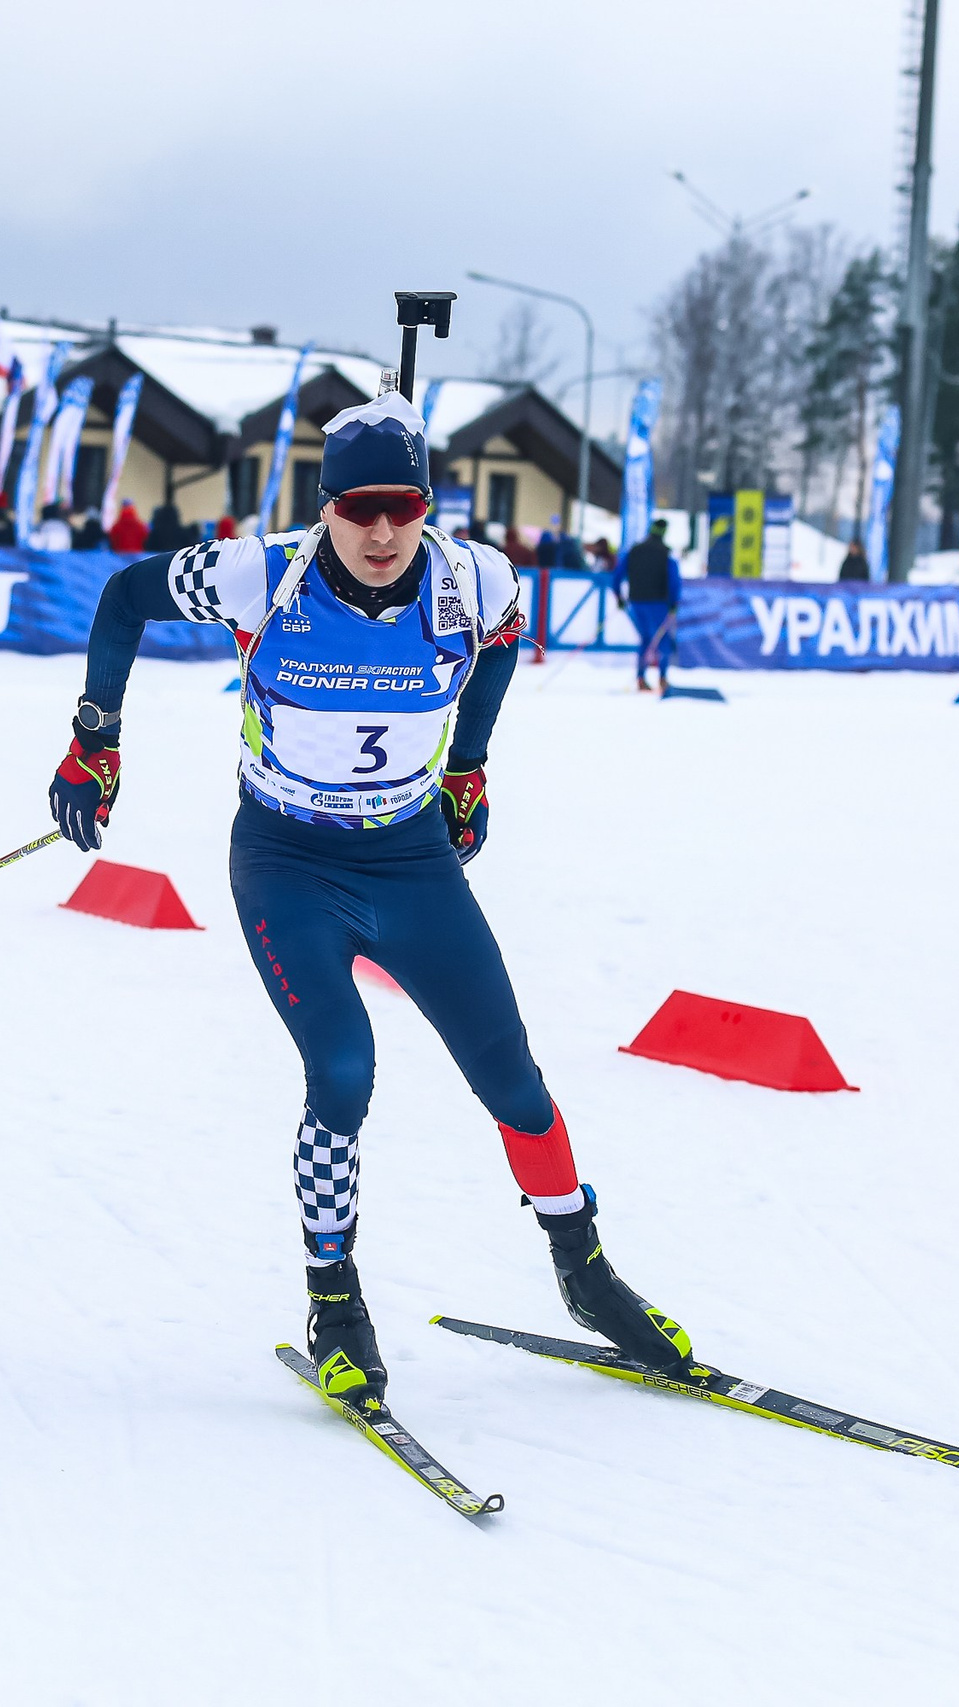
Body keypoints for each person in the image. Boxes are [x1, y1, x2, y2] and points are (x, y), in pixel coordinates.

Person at [45, 384, 699, 1417]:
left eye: (403, 505)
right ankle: (334, 1303)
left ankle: (584, 1272)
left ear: (429, 504)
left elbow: (498, 642)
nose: (384, 529)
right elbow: (127, 595)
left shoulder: (474, 579)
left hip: (409, 856)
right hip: (286, 860)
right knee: (344, 1068)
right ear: (325, 508)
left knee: (514, 1080)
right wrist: (95, 736)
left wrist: (469, 768)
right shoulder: (262, 574)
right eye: (359, 509)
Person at [613, 517, 682, 693]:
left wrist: (619, 597)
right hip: (659, 602)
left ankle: (641, 678)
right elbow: (674, 580)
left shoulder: (634, 551)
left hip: (636, 602)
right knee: (662, 639)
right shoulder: (666, 553)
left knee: (645, 639)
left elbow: (617, 576)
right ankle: (663, 679)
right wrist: (674, 603)